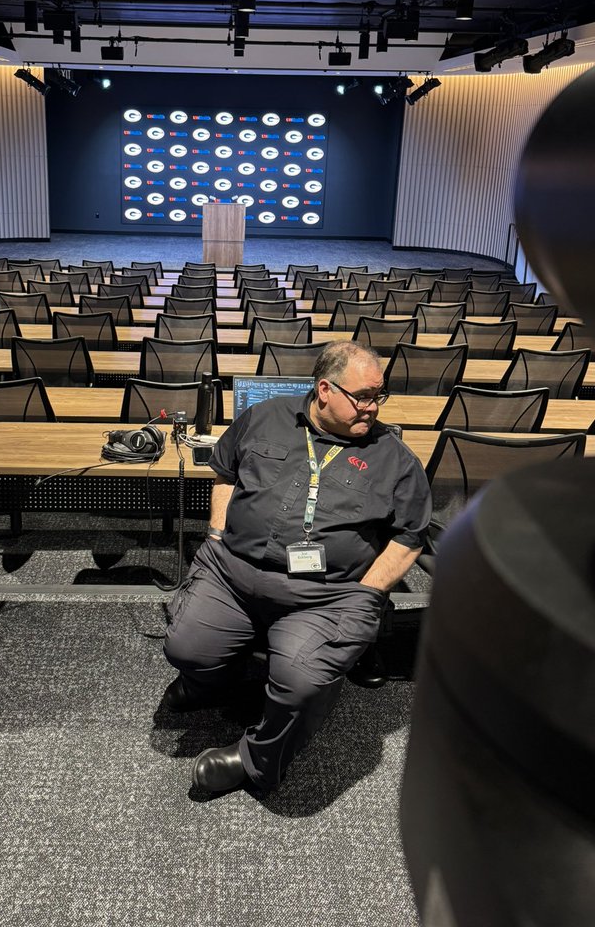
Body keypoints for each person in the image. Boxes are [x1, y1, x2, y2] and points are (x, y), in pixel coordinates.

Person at [162, 340, 431, 795]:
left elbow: (409, 537)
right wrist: (213, 538)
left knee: (300, 681)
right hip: (233, 574)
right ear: (325, 390)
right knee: (185, 647)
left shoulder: (394, 459)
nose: (373, 407)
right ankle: (213, 681)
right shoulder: (266, 417)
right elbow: (226, 472)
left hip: (324, 596)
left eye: (378, 396)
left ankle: (257, 760)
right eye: (363, 396)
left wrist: (366, 595)